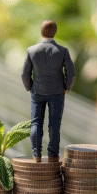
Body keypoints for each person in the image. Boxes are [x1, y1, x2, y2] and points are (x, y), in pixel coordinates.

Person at [21, 20, 76, 162]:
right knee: (54, 125)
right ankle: (52, 155)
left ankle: (36, 154)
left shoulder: (32, 50)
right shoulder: (62, 51)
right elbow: (71, 72)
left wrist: (30, 87)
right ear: (55, 32)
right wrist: (67, 87)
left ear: (41, 31)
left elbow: (24, 73)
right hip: (57, 92)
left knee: (36, 123)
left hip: (37, 92)